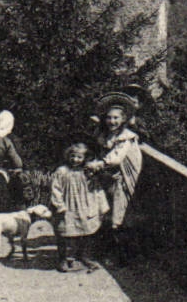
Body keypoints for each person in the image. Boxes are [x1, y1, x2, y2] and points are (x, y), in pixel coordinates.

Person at [88, 91, 143, 262]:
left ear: (123, 119)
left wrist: (98, 164)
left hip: (123, 180)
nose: (112, 121)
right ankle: (105, 250)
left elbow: (115, 158)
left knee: (119, 215)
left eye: (116, 118)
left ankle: (122, 256)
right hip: (110, 179)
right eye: (109, 118)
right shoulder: (107, 135)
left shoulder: (126, 138)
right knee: (106, 211)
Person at [48, 142, 108, 273]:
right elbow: (56, 189)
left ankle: (83, 257)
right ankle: (64, 259)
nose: (75, 159)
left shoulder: (87, 172)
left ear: (85, 158)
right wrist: (59, 205)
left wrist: (102, 205)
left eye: (79, 157)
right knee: (66, 232)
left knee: (85, 231)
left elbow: (96, 188)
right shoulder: (62, 171)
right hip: (67, 206)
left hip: (85, 206)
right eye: (73, 156)